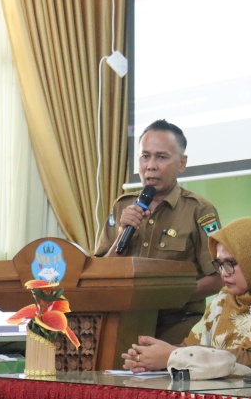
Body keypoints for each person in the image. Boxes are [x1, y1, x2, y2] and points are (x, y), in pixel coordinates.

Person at [122, 215, 251, 371]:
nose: (224, 273)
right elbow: (190, 346)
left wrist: (173, 356)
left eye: (231, 263)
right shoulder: (225, 296)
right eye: (219, 263)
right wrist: (149, 357)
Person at [95, 119, 224, 344]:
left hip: (178, 328)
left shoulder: (199, 210)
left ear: (182, 163)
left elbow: (219, 277)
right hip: (123, 324)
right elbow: (99, 274)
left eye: (161, 157)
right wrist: (122, 235)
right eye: (145, 156)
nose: (151, 166)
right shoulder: (122, 206)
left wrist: (167, 296)